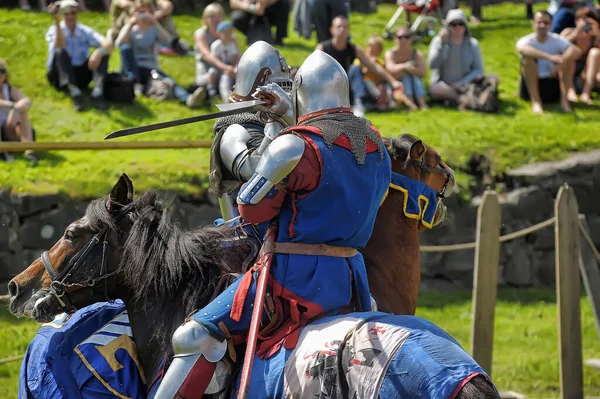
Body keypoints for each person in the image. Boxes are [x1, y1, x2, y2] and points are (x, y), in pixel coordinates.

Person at [153, 50, 392, 399]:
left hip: (291, 274)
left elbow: (251, 204)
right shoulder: (374, 143)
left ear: (298, 93)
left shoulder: (296, 144)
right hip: (352, 276)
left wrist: (276, 130)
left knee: (191, 336)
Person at [209, 40, 294, 221]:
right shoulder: (234, 129)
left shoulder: (287, 119)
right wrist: (275, 121)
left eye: (286, 88)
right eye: (276, 89)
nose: (285, 96)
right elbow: (254, 171)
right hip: (245, 234)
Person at [116, 0, 205, 108]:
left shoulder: (153, 29)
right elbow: (119, 44)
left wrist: (155, 22)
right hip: (133, 68)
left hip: (150, 68)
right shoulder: (131, 29)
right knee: (125, 48)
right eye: (139, 12)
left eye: (145, 12)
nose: (142, 16)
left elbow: (168, 42)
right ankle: (135, 86)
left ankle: (188, 99)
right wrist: (130, 23)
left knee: (170, 82)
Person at [316, 16, 403, 116]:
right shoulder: (322, 49)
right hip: (328, 85)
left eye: (345, 27)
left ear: (348, 30)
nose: (342, 30)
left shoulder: (354, 49)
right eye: (339, 27)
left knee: (356, 68)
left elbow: (373, 66)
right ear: (332, 30)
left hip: (347, 84)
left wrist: (393, 81)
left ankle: (358, 104)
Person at [45, 0, 112, 111]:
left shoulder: (84, 30)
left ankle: (97, 92)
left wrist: (98, 53)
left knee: (103, 54)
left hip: (80, 73)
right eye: (66, 13)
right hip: (59, 75)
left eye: (73, 12)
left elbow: (108, 45)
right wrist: (56, 22)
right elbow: (59, 45)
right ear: (61, 14)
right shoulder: (54, 30)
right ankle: (74, 93)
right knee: (60, 52)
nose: (70, 16)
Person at [516, 10, 582, 113]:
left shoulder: (556, 39)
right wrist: (550, 58)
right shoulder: (527, 40)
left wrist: (562, 62)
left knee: (569, 60)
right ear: (533, 24)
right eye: (539, 22)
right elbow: (522, 49)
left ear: (550, 25)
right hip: (532, 86)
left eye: (546, 23)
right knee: (527, 60)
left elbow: (576, 51)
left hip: (552, 83)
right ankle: (536, 102)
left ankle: (564, 101)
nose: (542, 25)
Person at [427, 9, 485, 104]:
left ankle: (455, 99)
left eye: (461, 24)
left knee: (494, 78)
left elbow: (478, 69)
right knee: (435, 89)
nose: (457, 28)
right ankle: (463, 100)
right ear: (447, 27)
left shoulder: (473, 44)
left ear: (465, 26)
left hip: (466, 84)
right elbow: (433, 65)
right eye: (453, 24)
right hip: (443, 85)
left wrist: (462, 82)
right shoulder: (438, 41)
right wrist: (442, 44)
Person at [193, 3, 236, 99]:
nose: (216, 20)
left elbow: (236, 54)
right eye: (212, 17)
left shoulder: (230, 35)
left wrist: (236, 67)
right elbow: (207, 55)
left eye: (219, 16)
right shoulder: (200, 35)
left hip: (227, 72)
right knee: (211, 77)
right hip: (207, 72)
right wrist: (225, 68)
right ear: (205, 19)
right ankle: (202, 97)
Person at [0, 58, 37, 165]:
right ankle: (2, 152)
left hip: (9, 127)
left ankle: (29, 151)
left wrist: (18, 107)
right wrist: (11, 104)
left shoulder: (10, 89)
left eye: (2, 71)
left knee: (21, 112)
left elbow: (26, 101)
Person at [560, 6, 600, 103]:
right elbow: (557, 47)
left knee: (595, 52)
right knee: (572, 51)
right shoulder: (568, 32)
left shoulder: (594, 37)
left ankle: (586, 93)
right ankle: (570, 91)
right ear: (576, 20)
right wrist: (575, 34)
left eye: (589, 21)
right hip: (565, 76)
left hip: (584, 78)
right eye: (582, 20)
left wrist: (597, 34)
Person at [385, 26, 429, 110]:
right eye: (400, 37)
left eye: (406, 37)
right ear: (395, 38)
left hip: (414, 85)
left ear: (411, 39)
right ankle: (411, 103)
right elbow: (390, 69)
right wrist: (405, 66)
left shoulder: (416, 54)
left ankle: (422, 103)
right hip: (396, 86)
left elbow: (423, 72)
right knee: (406, 76)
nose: (403, 40)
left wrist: (410, 69)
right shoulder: (390, 53)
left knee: (414, 77)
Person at [209, 21, 241, 102]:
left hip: (230, 68)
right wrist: (227, 68)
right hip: (220, 69)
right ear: (219, 33)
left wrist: (234, 67)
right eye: (226, 33)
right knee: (215, 73)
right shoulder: (216, 46)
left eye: (230, 33)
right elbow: (216, 62)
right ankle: (224, 96)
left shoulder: (232, 44)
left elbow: (236, 58)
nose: (228, 35)